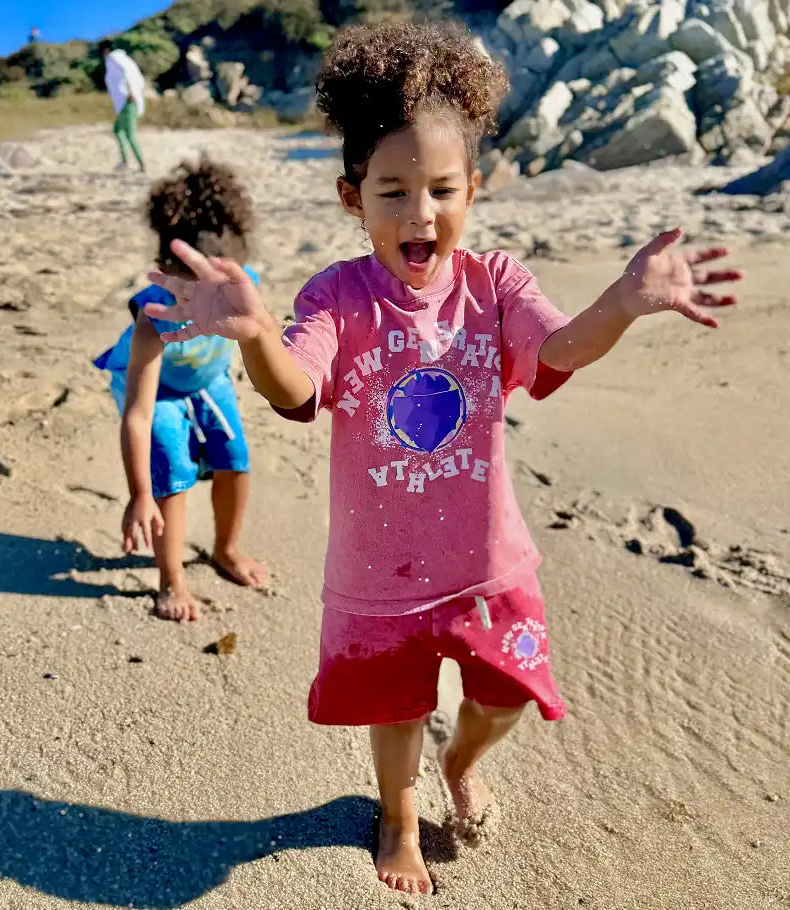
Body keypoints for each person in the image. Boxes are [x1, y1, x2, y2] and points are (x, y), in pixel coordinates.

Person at [143, 22, 742, 894]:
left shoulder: (496, 284)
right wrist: (256, 333)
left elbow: (562, 348)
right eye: (392, 192)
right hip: (381, 570)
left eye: (442, 190)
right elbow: (295, 386)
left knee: (504, 696)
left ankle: (461, 764)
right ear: (354, 197)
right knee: (395, 708)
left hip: (485, 560)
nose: (419, 213)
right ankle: (398, 812)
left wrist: (620, 302)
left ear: (475, 189)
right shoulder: (335, 297)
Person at [94, 156, 267, 621]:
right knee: (172, 474)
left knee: (236, 460)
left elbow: (264, 340)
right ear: (167, 268)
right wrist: (139, 493)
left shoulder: (243, 285)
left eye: (219, 285)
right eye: (193, 289)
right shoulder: (155, 317)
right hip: (159, 393)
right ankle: (172, 580)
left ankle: (225, 549)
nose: (207, 302)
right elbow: (137, 414)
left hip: (208, 381)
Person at [100, 39, 146, 173]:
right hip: (125, 101)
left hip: (128, 100)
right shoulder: (123, 59)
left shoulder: (114, 59)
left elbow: (128, 74)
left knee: (130, 134)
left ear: (106, 50)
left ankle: (141, 164)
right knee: (118, 130)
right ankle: (125, 161)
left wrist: (132, 91)